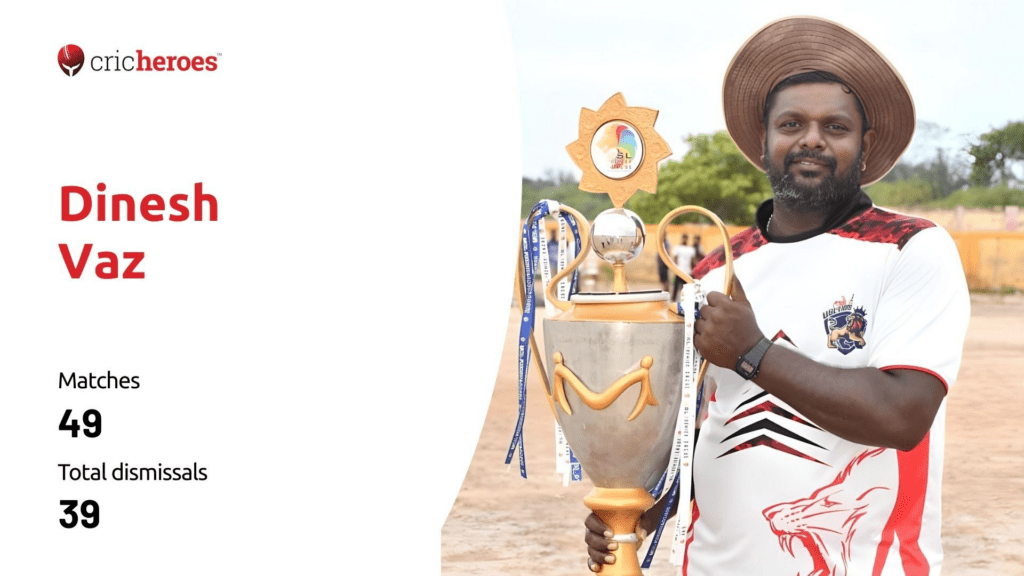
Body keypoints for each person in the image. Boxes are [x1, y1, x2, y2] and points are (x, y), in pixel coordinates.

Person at [585, 16, 970, 575]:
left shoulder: (910, 247)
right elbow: (703, 428)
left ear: (865, 146)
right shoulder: (717, 268)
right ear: (763, 142)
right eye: (791, 124)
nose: (811, 138)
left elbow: (902, 415)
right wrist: (637, 502)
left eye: (835, 126)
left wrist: (753, 352)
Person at [671, 234, 697, 300]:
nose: (684, 240)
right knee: (675, 289)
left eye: (686, 238)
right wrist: (675, 269)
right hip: (679, 272)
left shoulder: (691, 249)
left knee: (687, 290)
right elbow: (675, 259)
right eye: (683, 238)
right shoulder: (678, 248)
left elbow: (692, 261)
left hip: (687, 272)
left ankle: (685, 301)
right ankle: (673, 302)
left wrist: (693, 271)